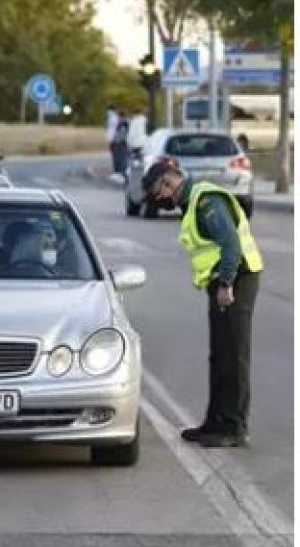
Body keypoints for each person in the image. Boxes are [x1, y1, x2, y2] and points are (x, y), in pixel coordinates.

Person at [143, 162, 264, 447]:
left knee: (233, 355)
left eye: (158, 193)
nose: (160, 201)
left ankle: (234, 427)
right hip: (222, 281)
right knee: (219, 355)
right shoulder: (192, 203)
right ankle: (214, 422)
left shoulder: (206, 201)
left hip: (237, 279)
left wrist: (226, 284)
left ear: (168, 182)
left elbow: (231, 244)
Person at [105, 104, 119, 172]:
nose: (108, 112)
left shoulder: (114, 118)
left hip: (113, 139)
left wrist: (111, 138)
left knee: (115, 154)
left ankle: (116, 169)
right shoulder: (112, 118)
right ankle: (116, 168)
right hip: (112, 139)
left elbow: (113, 129)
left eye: (109, 110)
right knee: (113, 154)